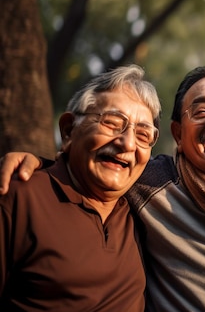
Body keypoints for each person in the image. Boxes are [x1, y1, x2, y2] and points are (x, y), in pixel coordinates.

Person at [0, 63, 205, 312]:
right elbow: (84, 166)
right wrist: (41, 166)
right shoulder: (150, 184)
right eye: (201, 111)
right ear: (177, 134)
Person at [0, 65, 161, 310]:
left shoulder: (144, 209)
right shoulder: (17, 197)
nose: (127, 143)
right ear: (68, 130)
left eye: (142, 135)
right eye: (112, 123)